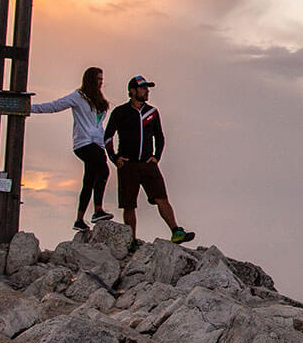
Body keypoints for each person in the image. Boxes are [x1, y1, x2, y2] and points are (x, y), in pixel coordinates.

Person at [105, 74, 195, 245]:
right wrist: (115, 158)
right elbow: (108, 137)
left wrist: (156, 156)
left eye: (147, 88)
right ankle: (130, 241)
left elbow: (160, 137)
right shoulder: (120, 112)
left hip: (148, 164)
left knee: (161, 197)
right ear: (132, 91)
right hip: (127, 165)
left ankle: (176, 231)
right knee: (129, 204)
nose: (147, 91)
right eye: (143, 88)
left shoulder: (152, 112)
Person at [32, 66, 116, 232]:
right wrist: (30, 108)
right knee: (104, 170)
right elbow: (55, 106)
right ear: (90, 80)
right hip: (84, 142)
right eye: (97, 79)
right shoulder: (78, 97)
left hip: (97, 142)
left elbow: (98, 124)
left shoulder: (98, 99)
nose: (100, 82)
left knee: (89, 179)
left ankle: (79, 219)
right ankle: (98, 210)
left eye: (102, 79)